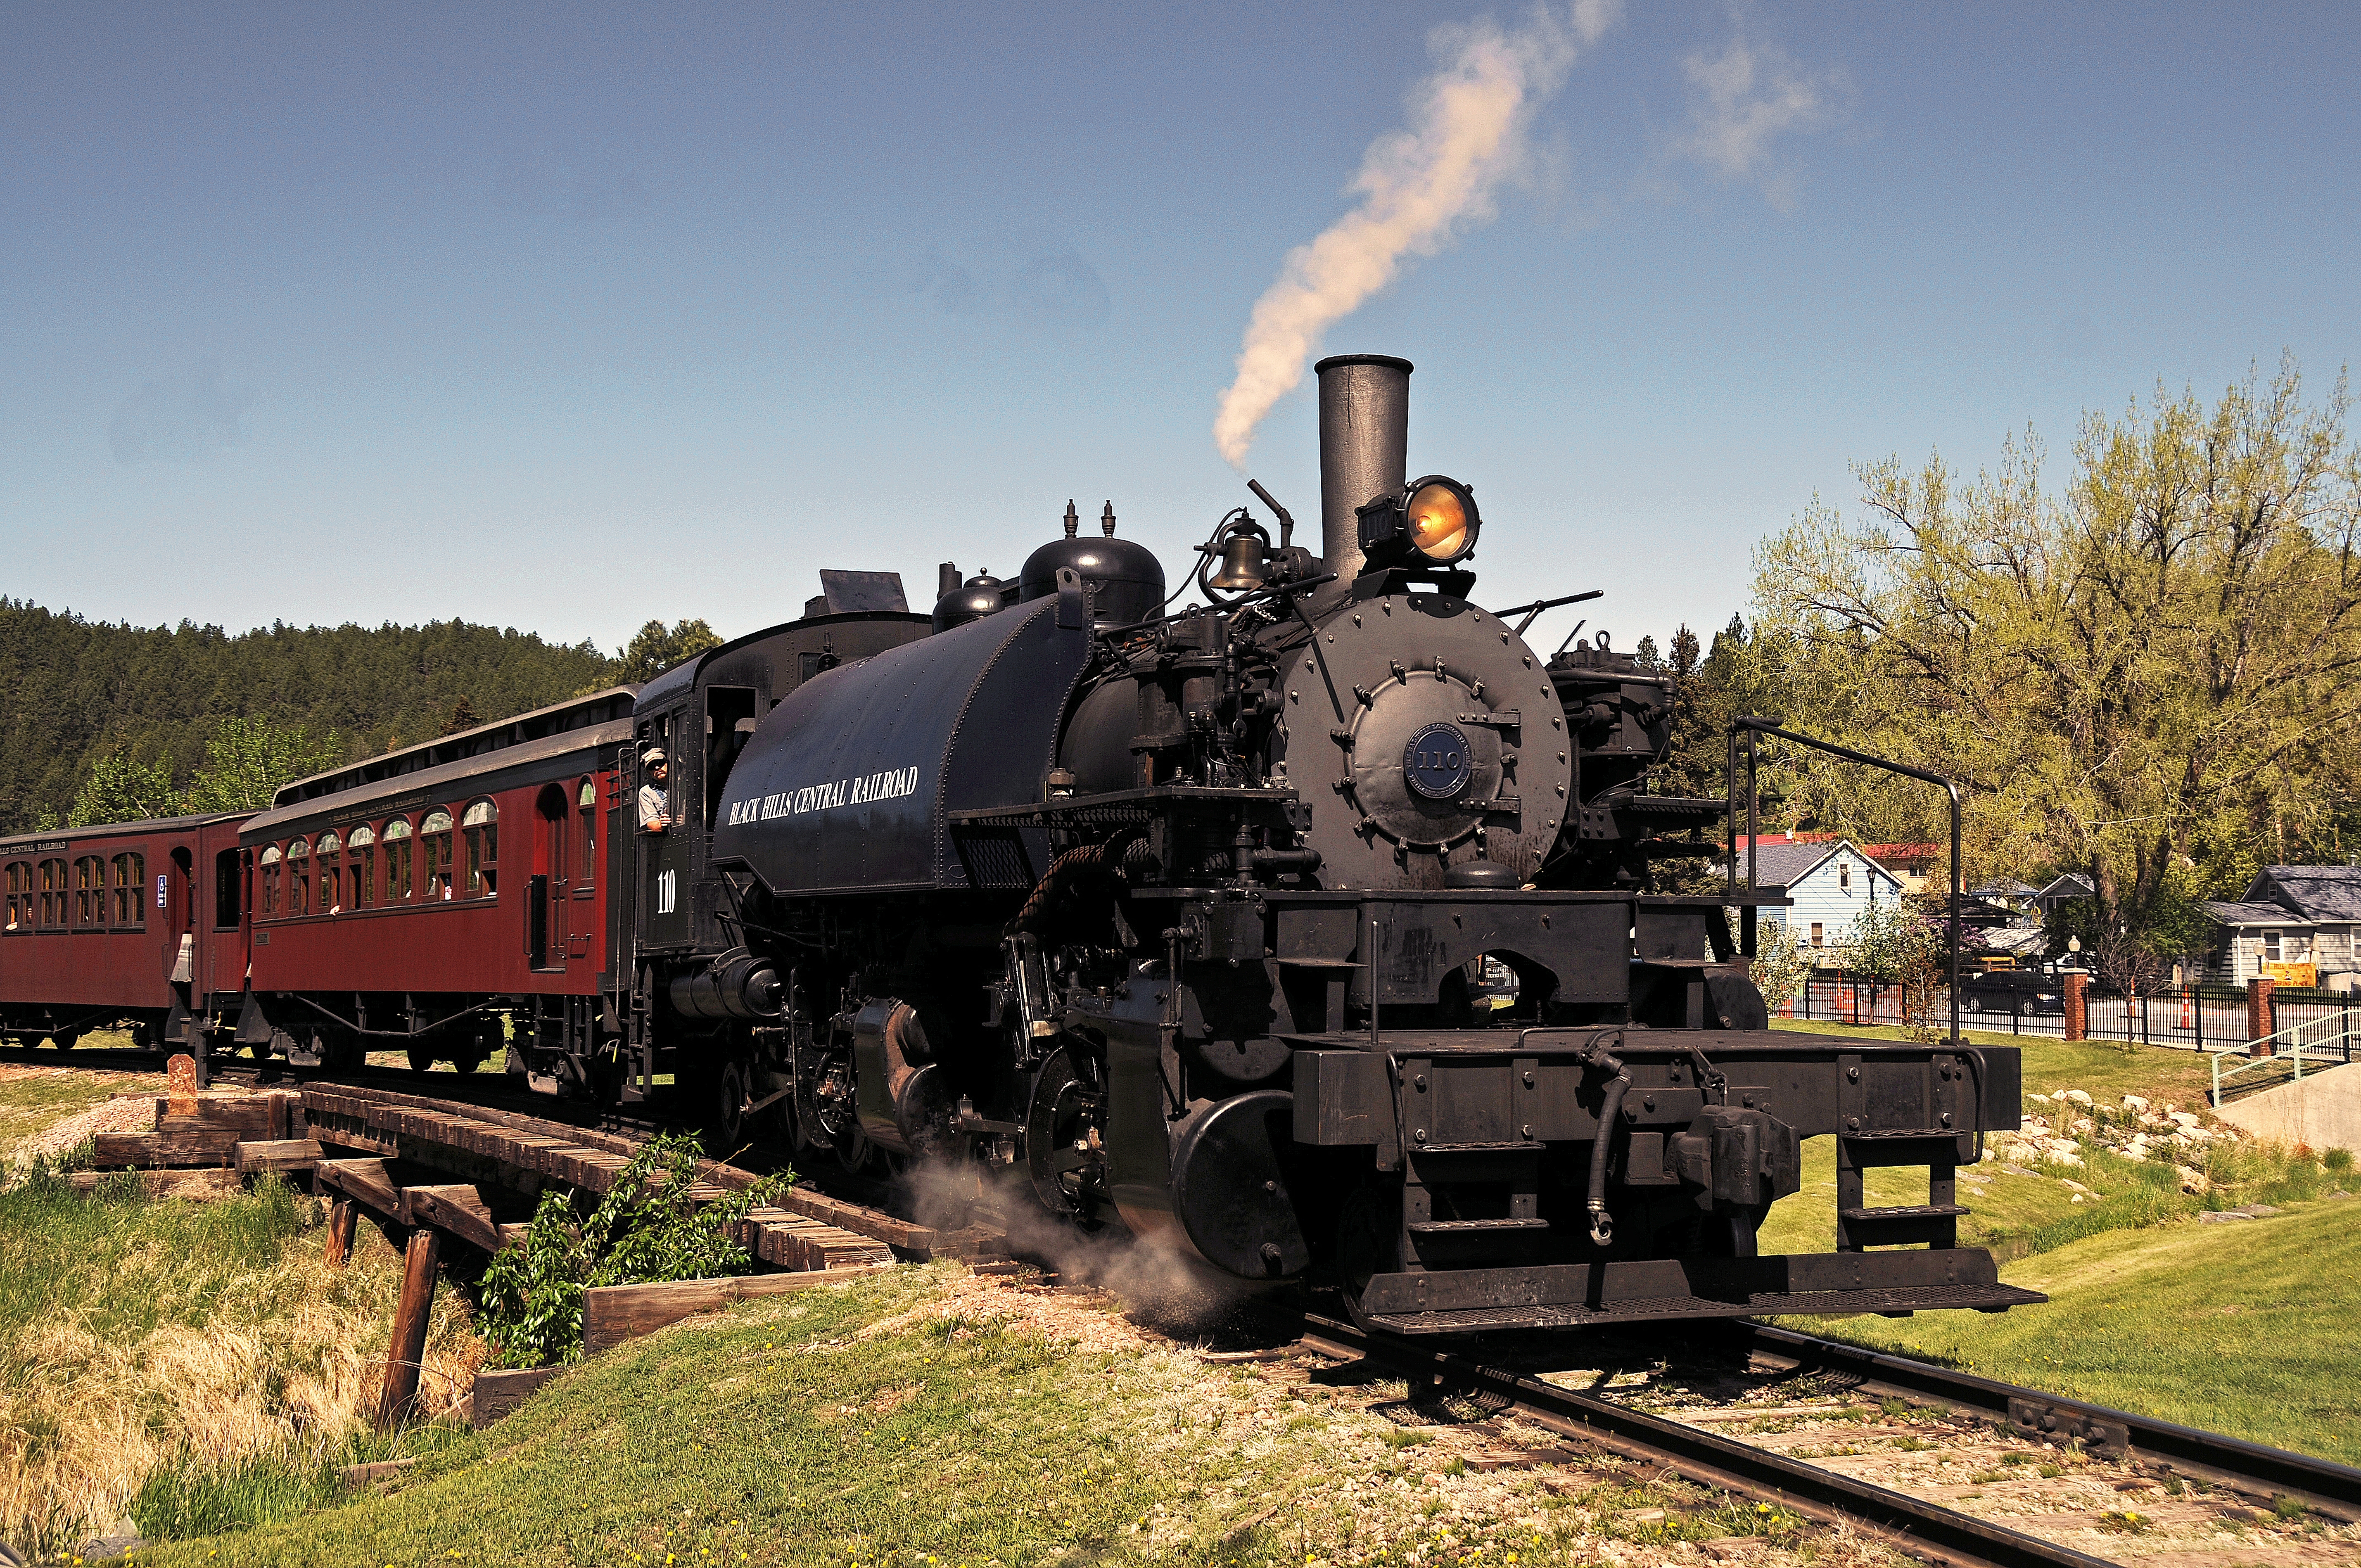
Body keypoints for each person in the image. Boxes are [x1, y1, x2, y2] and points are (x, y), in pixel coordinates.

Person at [639, 750, 672, 834]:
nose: (657, 768)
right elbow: (651, 824)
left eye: (659, 763)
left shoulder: (684, 783)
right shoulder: (646, 792)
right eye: (652, 767)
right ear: (649, 773)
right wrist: (662, 824)